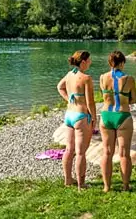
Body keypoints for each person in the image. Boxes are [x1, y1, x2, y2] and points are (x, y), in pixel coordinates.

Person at [58, 51, 96, 191]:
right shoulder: (86, 78)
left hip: (69, 114)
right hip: (81, 116)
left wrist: (68, 98)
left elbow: (59, 87)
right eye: (89, 60)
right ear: (83, 62)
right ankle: (81, 184)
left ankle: (68, 180)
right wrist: (94, 118)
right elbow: (90, 102)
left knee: (69, 149)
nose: (91, 62)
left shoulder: (70, 74)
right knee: (80, 152)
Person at [99, 51, 136, 193]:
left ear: (109, 63)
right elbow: (134, 99)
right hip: (122, 115)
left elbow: (103, 96)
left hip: (106, 115)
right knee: (124, 154)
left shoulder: (102, 77)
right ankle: (125, 186)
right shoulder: (129, 79)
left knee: (107, 153)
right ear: (122, 63)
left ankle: (106, 186)